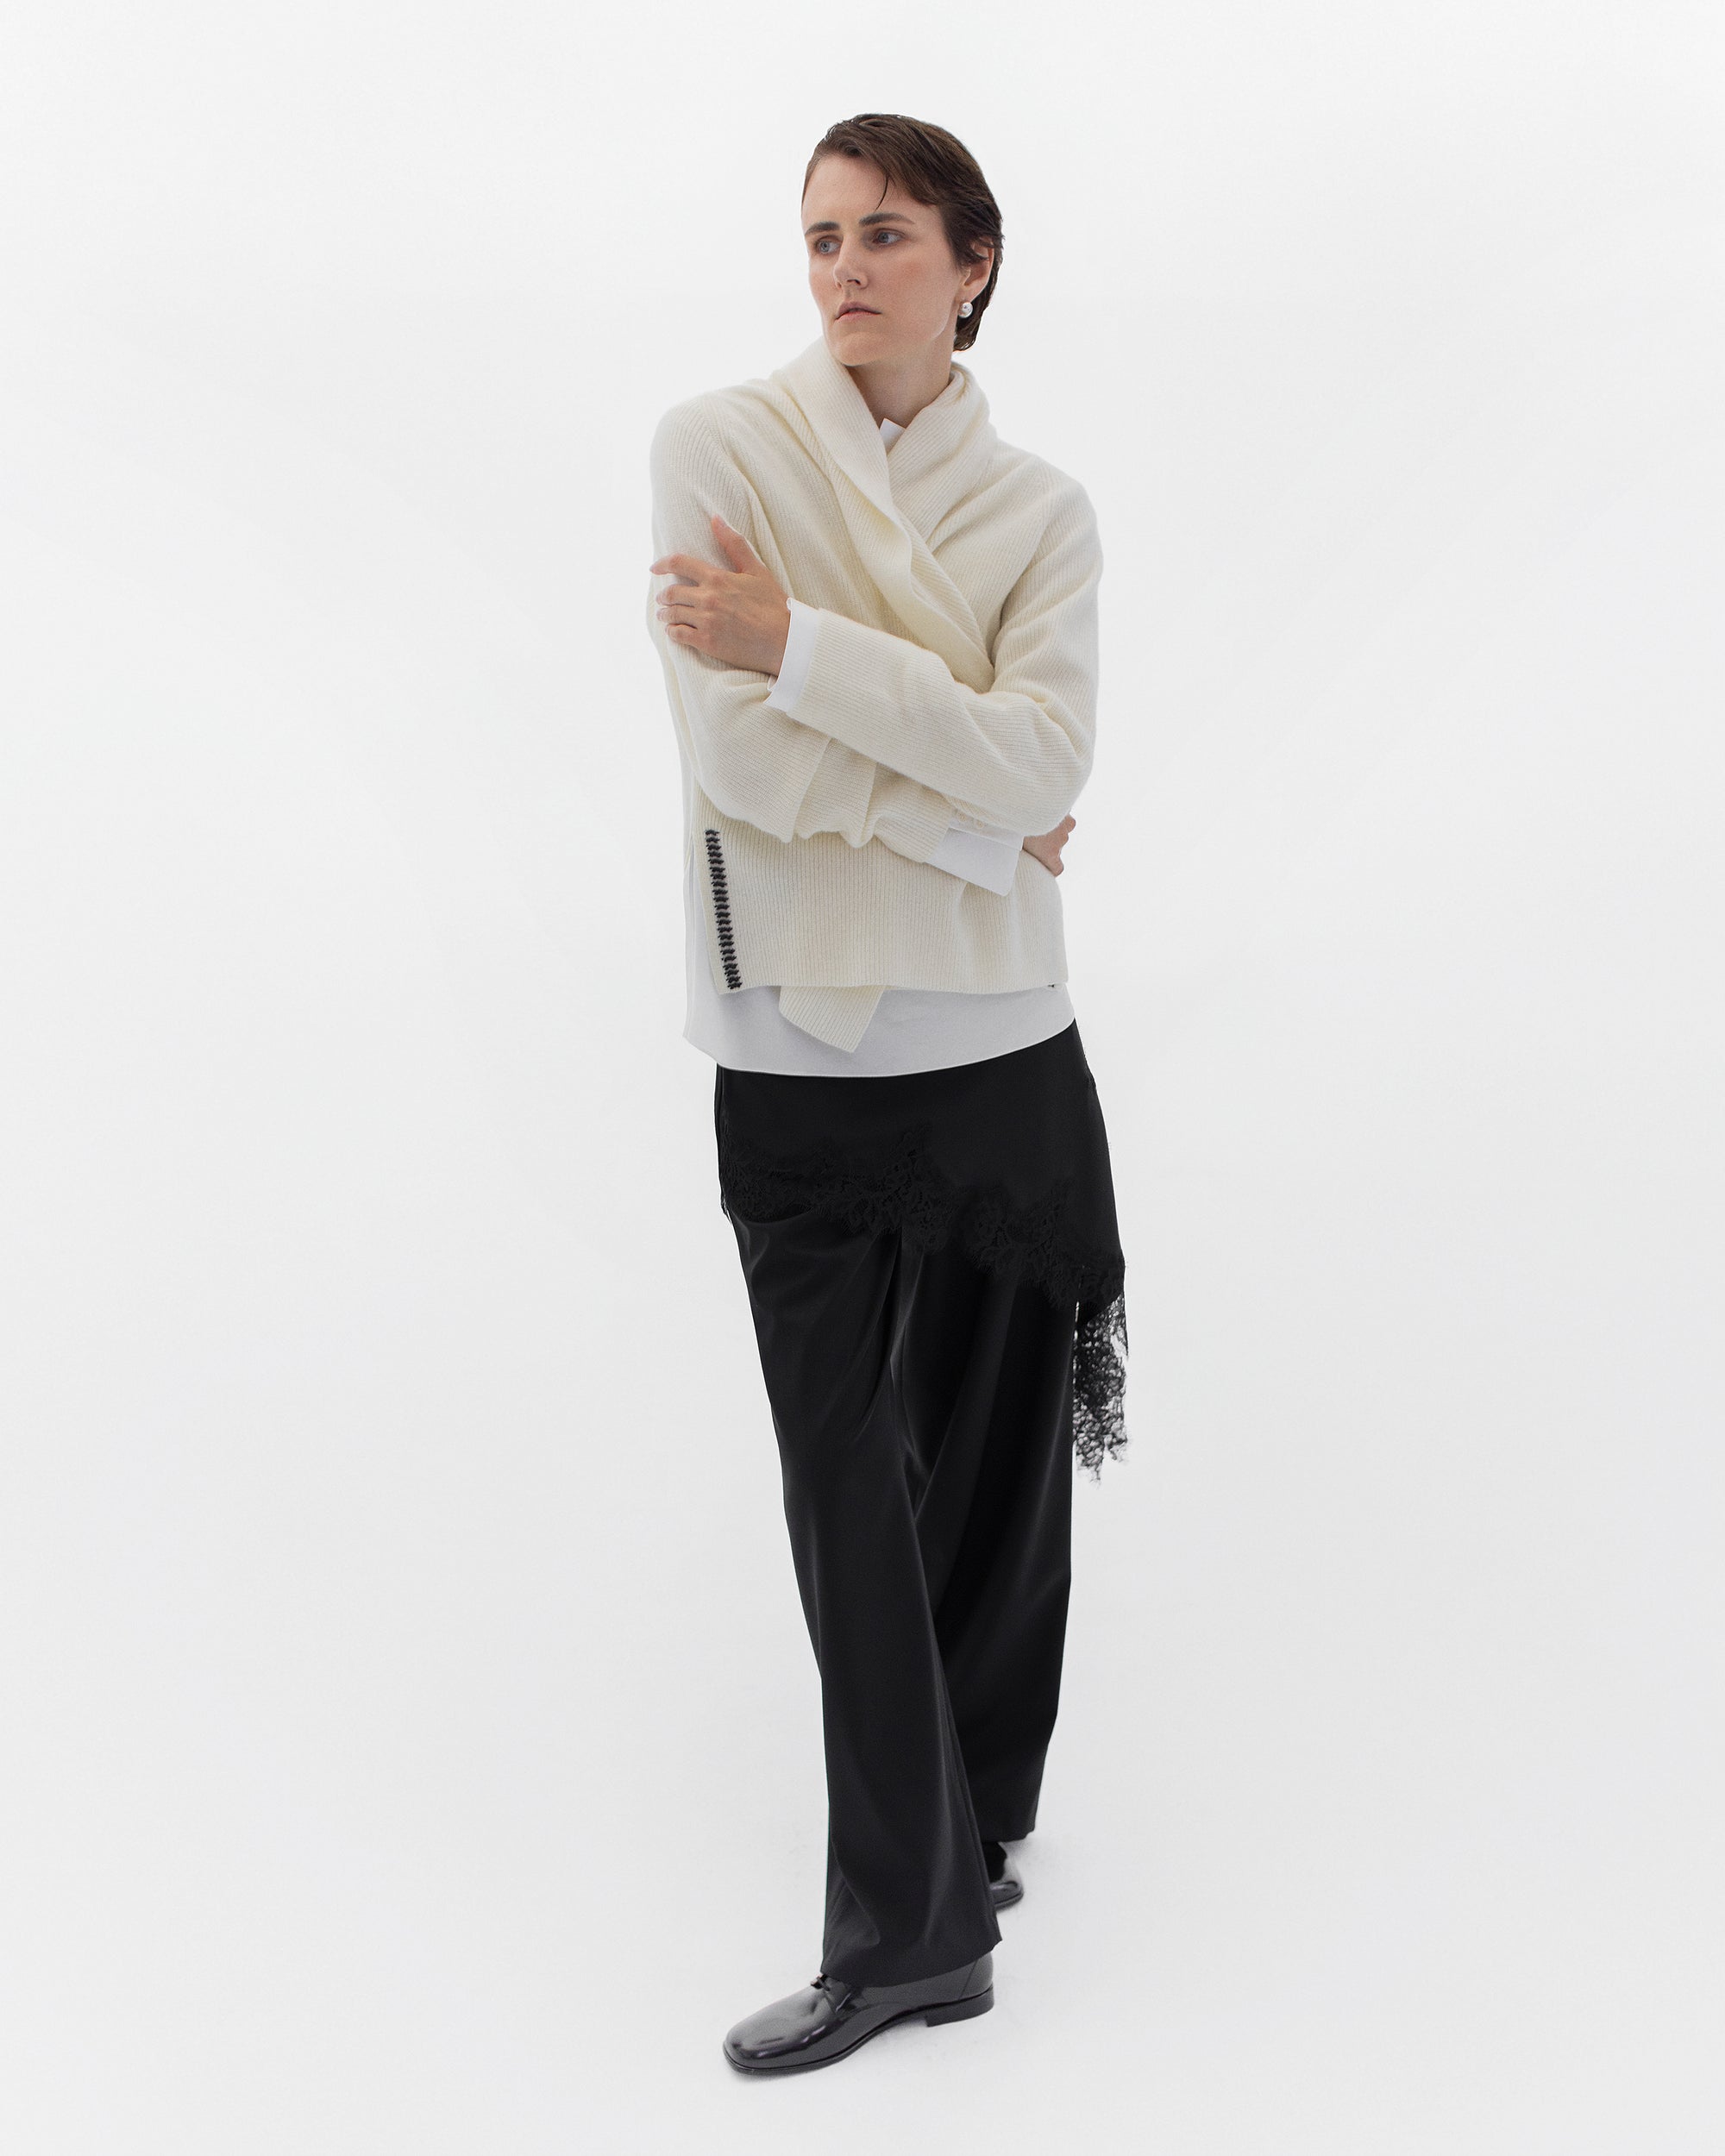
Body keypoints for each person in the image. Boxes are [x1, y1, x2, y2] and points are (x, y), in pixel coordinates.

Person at [645, 110, 1130, 2076]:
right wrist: (977, 824)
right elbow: (744, 769)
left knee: (1004, 1470)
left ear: (972, 264)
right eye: (823, 235)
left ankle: (975, 1823)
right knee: (849, 1488)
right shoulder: (719, 447)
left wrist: (803, 646)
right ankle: (907, 1934)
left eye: (888, 234)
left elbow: (1050, 757)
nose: (845, 267)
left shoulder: (1043, 510)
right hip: (805, 1055)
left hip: (1004, 1045)